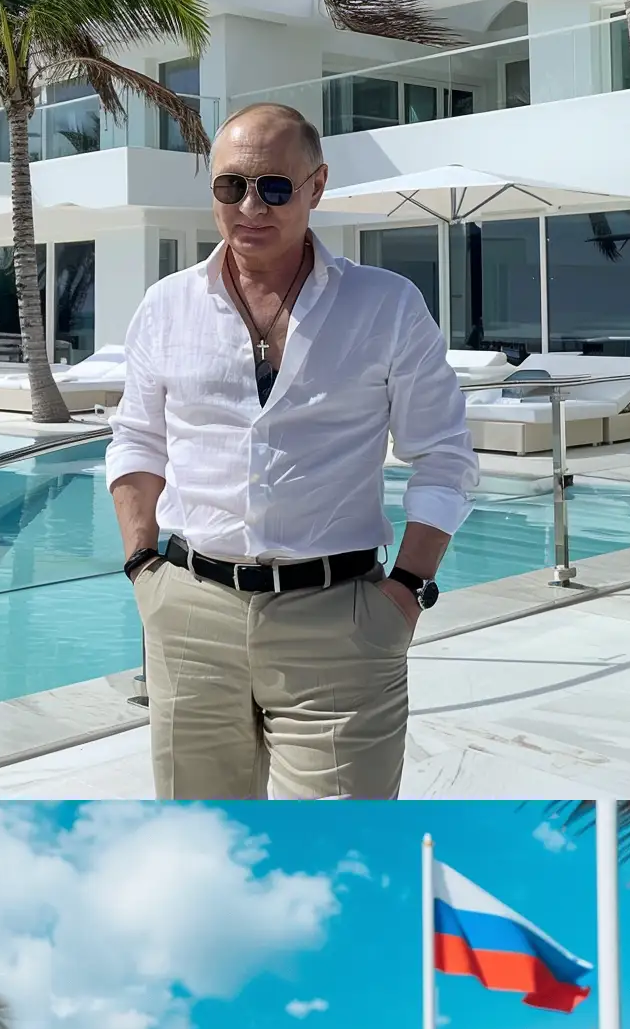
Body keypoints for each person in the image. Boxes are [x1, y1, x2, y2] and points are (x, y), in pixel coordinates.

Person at [106, 101, 480, 800]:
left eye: (275, 186)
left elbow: (444, 455)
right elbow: (137, 438)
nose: (252, 205)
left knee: (341, 853)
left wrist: (408, 592)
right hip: (188, 612)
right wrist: (141, 567)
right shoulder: (165, 305)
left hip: (340, 619)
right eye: (231, 186)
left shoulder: (387, 304)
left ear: (317, 186)